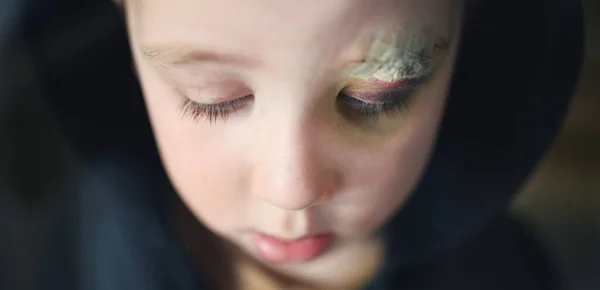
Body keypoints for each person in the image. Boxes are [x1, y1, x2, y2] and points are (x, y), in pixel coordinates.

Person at [21, 0, 583, 289]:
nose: (292, 190)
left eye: (375, 96)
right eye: (212, 98)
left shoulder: (500, 274)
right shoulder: (80, 250)